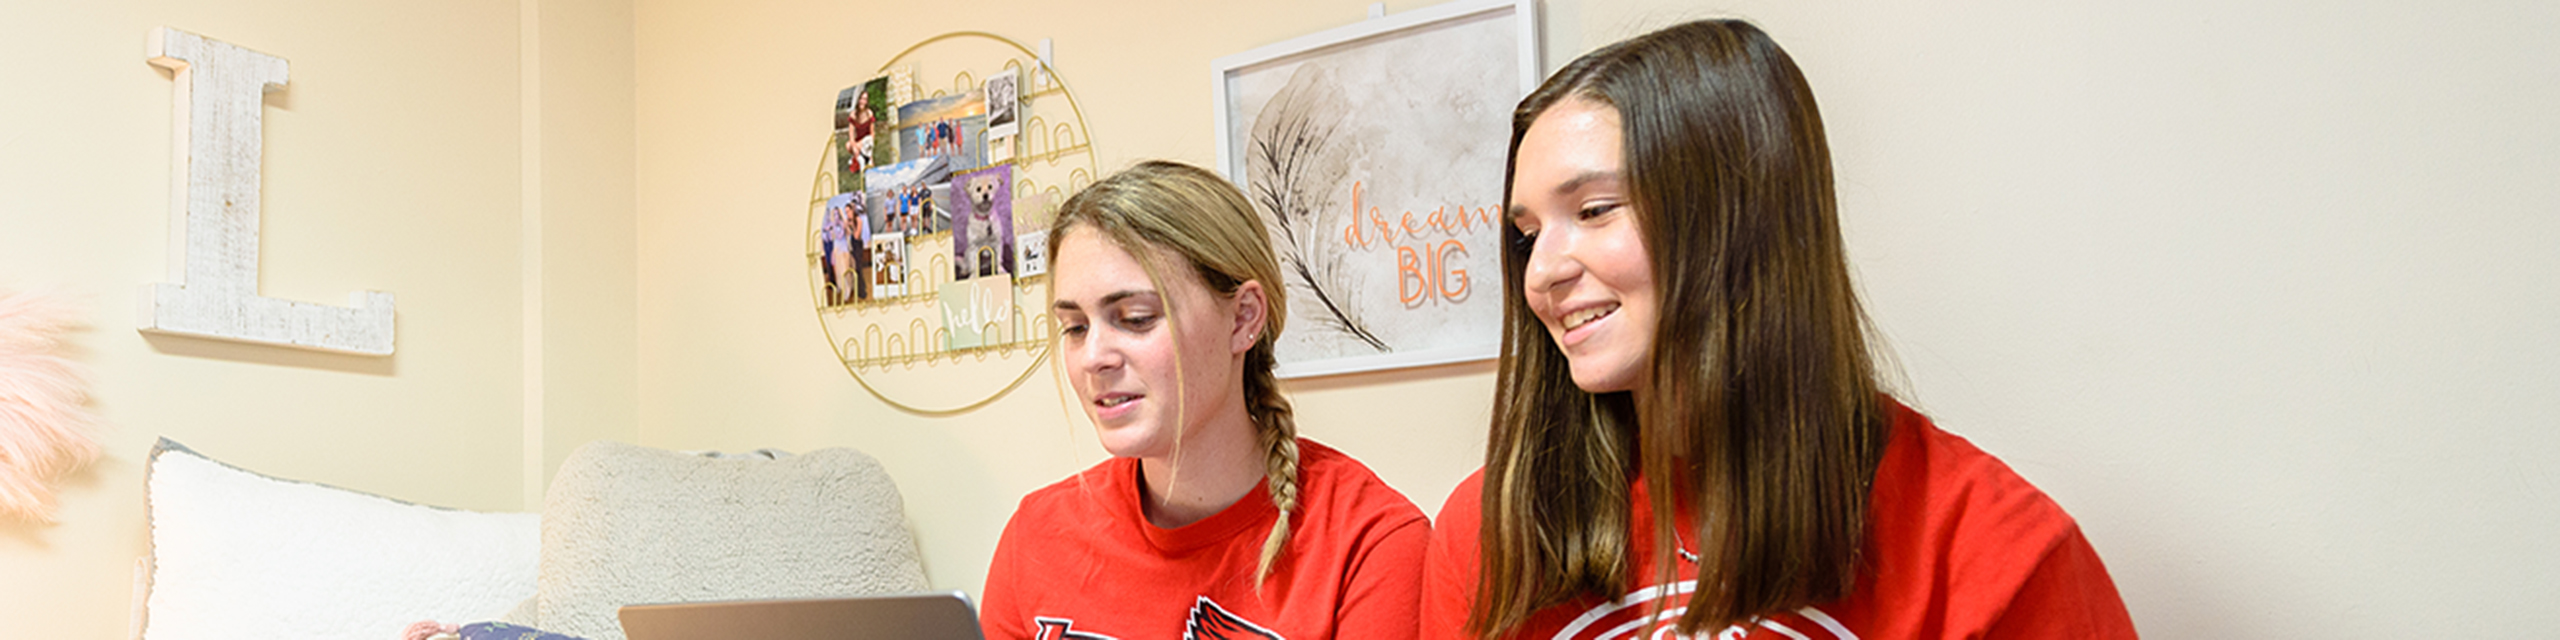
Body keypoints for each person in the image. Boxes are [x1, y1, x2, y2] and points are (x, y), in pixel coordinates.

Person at [1420, 20, 2137, 639]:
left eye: (1597, 210)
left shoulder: (1994, 549)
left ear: (1738, 218)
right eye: (1526, 234)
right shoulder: (1490, 535)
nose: (1541, 271)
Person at [980, 161, 1430, 640]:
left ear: (1242, 319)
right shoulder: (1035, 536)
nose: (1093, 357)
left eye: (1135, 318)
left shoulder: (1371, 543)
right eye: (1075, 327)